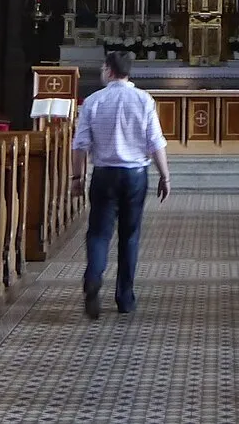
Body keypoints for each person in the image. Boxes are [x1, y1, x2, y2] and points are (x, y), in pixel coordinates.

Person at [71, 50, 171, 318]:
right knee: (129, 236)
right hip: (135, 174)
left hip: (104, 173)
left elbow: (80, 145)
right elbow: (155, 142)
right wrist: (165, 175)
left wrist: (77, 178)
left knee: (98, 233)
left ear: (109, 70)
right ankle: (124, 298)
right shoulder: (143, 99)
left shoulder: (93, 101)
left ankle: (93, 277)